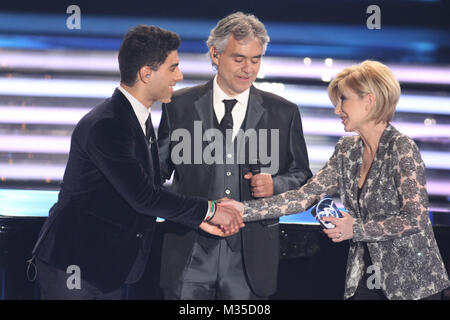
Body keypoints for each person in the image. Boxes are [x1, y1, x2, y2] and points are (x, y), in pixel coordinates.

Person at [30, 25, 244, 300]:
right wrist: (210, 210)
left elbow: (148, 188)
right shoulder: (108, 125)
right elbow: (144, 196)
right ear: (146, 73)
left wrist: (200, 218)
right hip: (75, 268)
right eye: (172, 68)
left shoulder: (136, 118)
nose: (179, 76)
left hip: (106, 269)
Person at [229, 60, 450, 300]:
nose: (337, 109)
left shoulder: (402, 147)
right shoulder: (347, 150)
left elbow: (415, 218)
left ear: (369, 101)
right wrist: (241, 210)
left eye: (343, 99)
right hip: (363, 279)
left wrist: (355, 229)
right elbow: (304, 196)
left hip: (413, 283)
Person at [158, 12, 312, 300]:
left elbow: (303, 176)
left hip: (250, 260)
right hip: (188, 253)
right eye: (239, 58)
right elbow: (156, 173)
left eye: (255, 59)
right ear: (215, 54)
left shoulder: (284, 112)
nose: (248, 69)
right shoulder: (178, 106)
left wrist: (276, 185)